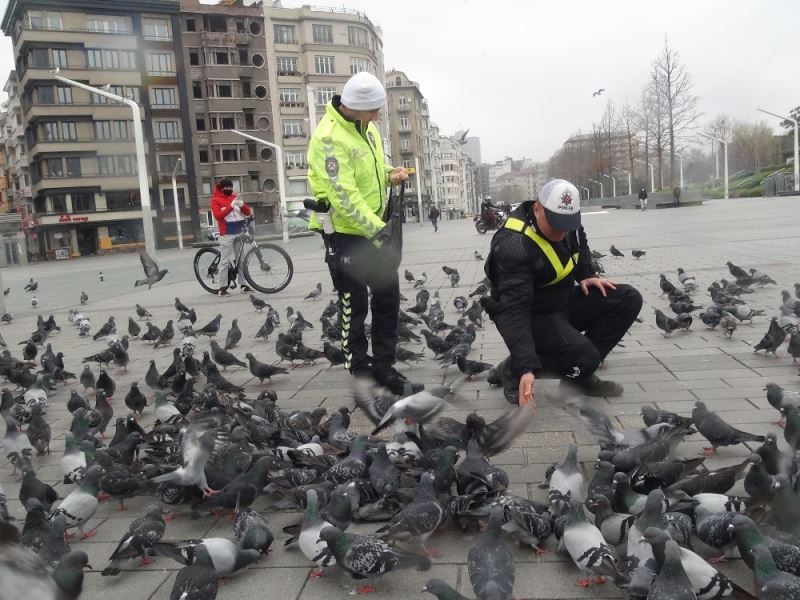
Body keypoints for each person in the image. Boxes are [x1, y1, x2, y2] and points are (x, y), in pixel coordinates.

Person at [307, 71, 423, 395]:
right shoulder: (329, 138)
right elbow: (343, 196)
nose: (378, 116)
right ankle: (360, 369)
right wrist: (378, 230)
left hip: (374, 229)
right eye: (374, 110)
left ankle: (385, 367)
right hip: (346, 233)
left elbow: (370, 171)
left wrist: (391, 175)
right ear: (355, 107)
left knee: (387, 297)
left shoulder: (366, 128)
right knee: (353, 302)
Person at [483, 179, 643, 409]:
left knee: (627, 298)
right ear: (537, 209)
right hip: (530, 315)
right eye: (555, 223)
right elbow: (513, 311)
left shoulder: (568, 224)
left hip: (562, 301)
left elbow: (580, 244)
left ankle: (579, 376)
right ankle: (513, 369)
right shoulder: (514, 245)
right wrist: (526, 365)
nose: (562, 230)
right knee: (583, 356)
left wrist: (587, 273)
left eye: (567, 223)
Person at [211, 178, 253, 296]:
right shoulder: (216, 200)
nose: (229, 189)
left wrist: (242, 204)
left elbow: (247, 212)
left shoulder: (235, 197)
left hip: (239, 231)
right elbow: (218, 216)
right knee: (224, 261)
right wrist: (230, 206)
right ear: (222, 188)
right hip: (226, 233)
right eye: (227, 188)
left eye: (231, 187)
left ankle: (244, 284)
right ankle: (222, 288)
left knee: (241, 259)